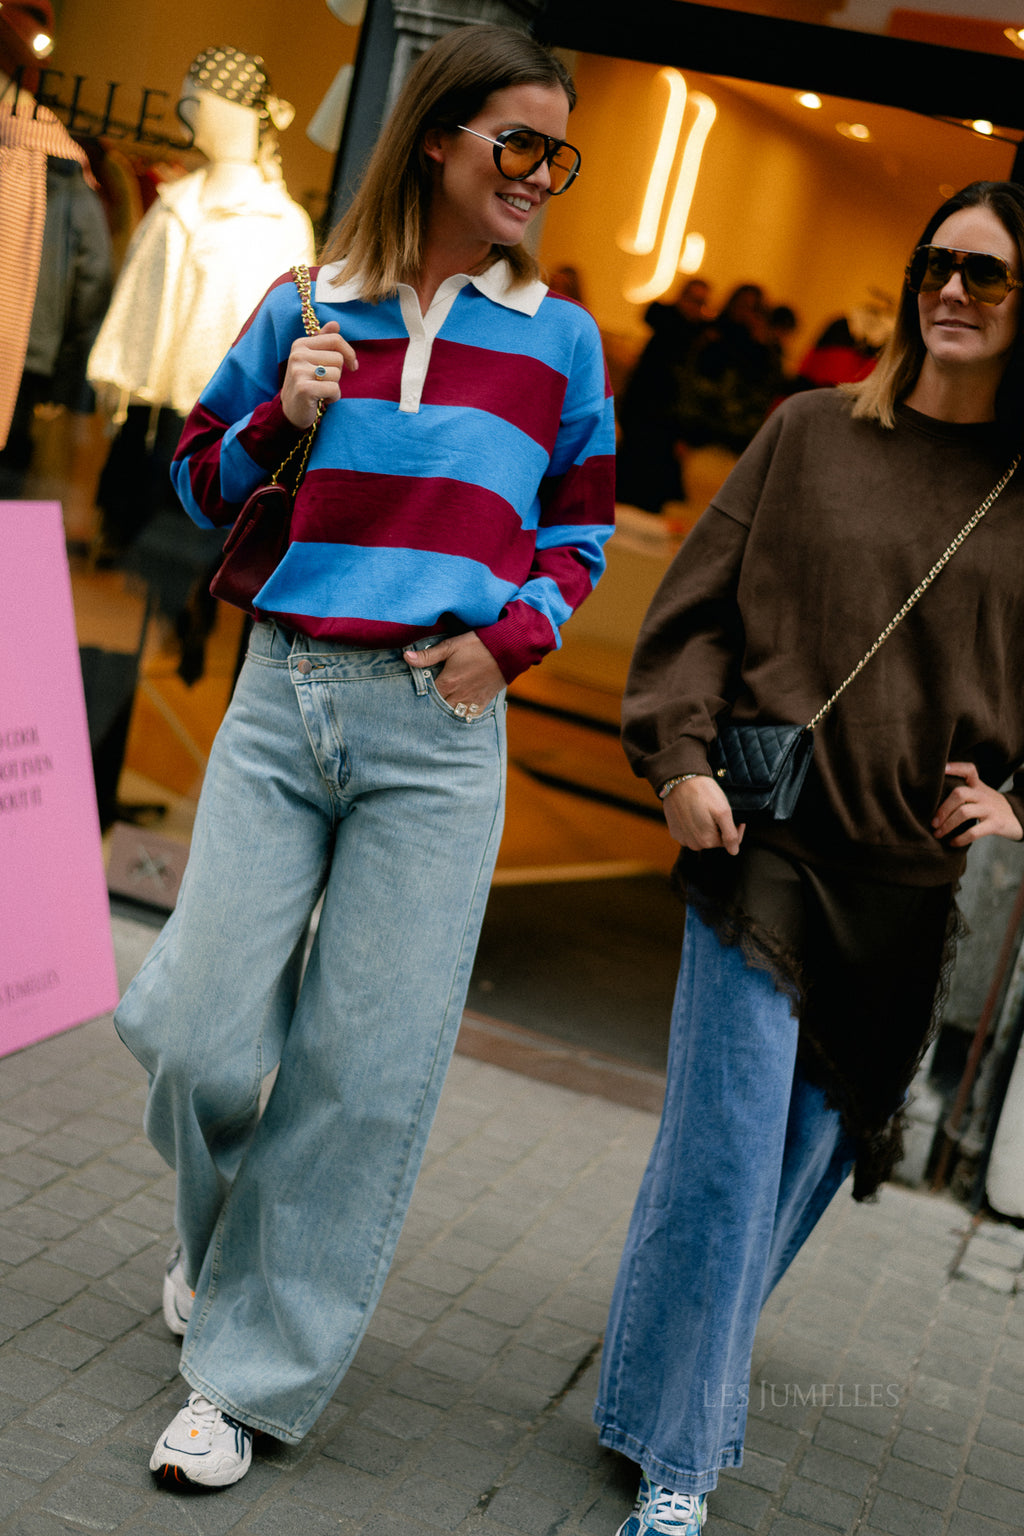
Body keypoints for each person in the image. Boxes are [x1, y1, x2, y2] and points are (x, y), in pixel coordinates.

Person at [114, 23, 614, 1490]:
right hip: (284, 700)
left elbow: (578, 533)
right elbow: (198, 478)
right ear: (441, 135)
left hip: (440, 728)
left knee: (362, 1076)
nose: (540, 175)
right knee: (197, 1033)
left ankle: (242, 1384)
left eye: (558, 155)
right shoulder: (309, 299)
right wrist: (288, 411)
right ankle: (224, 1250)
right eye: (519, 144)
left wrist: (506, 641)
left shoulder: (560, 341)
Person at [595, 179, 1024, 1536]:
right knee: (724, 1156)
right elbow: (696, 611)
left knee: (789, 1172)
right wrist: (677, 760)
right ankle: (683, 1460)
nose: (951, 289)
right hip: (765, 839)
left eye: (988, 274)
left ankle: (644, 1394)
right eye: (936, 263)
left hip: (906, 882)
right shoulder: (807, 431)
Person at [615, 277, 712, 513]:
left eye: (700, 302)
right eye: (692, 300)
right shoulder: (671, 328)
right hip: (643, 414)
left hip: (666, 424)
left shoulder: (697, 340)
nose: (694, 307)